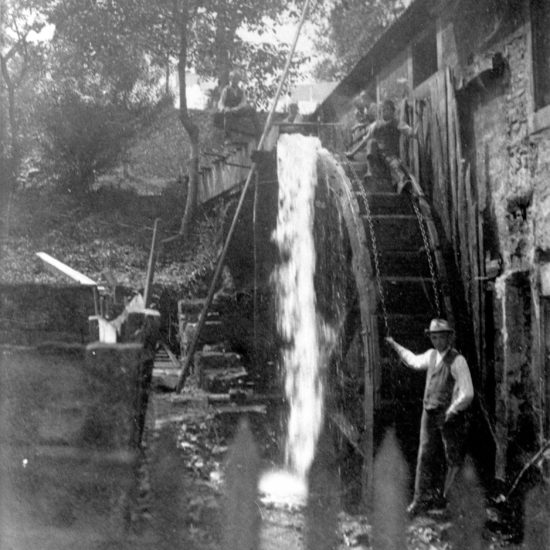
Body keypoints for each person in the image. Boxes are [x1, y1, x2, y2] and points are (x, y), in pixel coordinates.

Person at [385, 318, 474, 517]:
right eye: (434, 337)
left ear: (449, 338)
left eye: (441, 337)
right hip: (429, 413)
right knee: (424, 455)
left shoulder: (458, 360)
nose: (437, 341)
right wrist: (395, 345)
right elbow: (413, 361)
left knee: (452, 459)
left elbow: (467, 393)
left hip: (448, 414)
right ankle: (420, 500)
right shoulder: (431, 355)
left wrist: (453, 410)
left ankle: (452, 504)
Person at [345, 99, 420, 194]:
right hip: (377, 159)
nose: (385, 111)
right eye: (383, 109)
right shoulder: (376, 125)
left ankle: (403, 183)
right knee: (371, 142)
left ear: (393, 111)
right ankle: (370, 172)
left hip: (390, 156)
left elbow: (412, 133)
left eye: (388, 109)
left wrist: (419, 119)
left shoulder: (398, 123)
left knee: (396, 165)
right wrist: (352, 153)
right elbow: (365, 141)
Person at [217, 69, 260, 141]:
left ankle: (259, 131)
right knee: (227, 113)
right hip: (229, 111)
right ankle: (227, 137)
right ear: (230, 79)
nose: (235, 81)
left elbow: (243, 103)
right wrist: (224, 108)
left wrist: (237, 108)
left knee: (251, 109)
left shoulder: (241, 91)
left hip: (238, 110)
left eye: (236, 79)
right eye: (233, 79)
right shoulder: (226, 90)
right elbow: (221, 102)